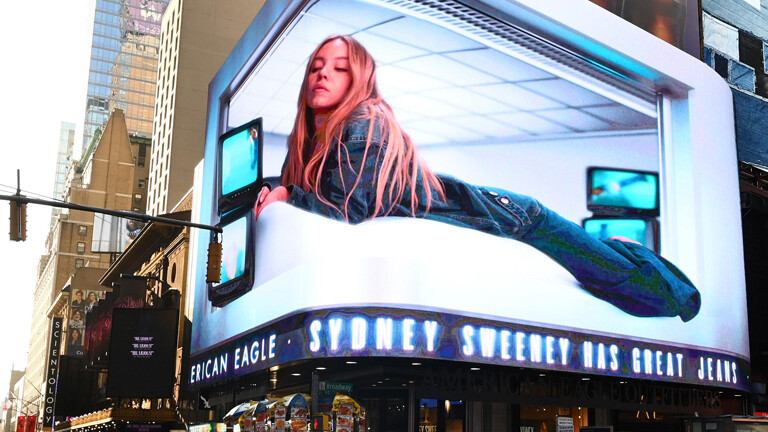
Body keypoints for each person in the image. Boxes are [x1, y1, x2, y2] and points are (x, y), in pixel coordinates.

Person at [253, 35, 700, 321]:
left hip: (516, 218)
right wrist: (282, 185)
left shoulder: (366, 121)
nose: (322, 73)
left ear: (359, 79)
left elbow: (347, 208)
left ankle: (678, 293)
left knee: (622, 284)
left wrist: (287, 193)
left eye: (339, 66)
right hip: (505, 214)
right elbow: (329, 194)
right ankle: (629, 257)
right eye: (315, 65)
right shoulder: (319, 144)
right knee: (606, 275)